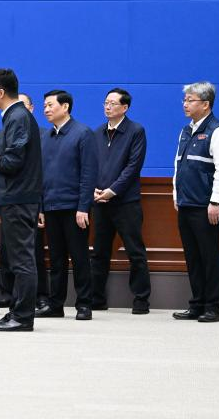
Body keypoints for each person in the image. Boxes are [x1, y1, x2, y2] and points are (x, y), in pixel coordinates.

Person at [0, 69, 42, 332]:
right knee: (13, 259)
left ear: (0, 92)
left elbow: (14, 160)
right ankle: (16, 311)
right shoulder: (15, 116)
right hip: (15, 197)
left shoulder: (18, 117)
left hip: (19, 197)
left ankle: (24, 316)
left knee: (22, 260)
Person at [173, 81, 219, 323]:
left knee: (209, 256)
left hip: (206, 206)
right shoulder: (185, 131)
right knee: (193, 256)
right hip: (186, 204)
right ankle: (197, 303)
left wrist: (215, 202)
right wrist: (176, 196)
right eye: (185, 100)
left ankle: (213, 306)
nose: (185, 104)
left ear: (206, 104)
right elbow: (178, 166)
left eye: (190, 100)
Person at [37, 90, 97, 321]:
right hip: (51, 206)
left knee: (79, 257)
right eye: (44, 106)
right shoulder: (45, 137)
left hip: (74, 208)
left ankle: (84, 304)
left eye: (50, 105)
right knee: (56, 258)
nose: (46, 109)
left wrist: (84, 206)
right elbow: (41, 175)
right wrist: (41, 207)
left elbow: (88, 174)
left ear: (66, 107)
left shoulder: (83, 133)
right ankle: (56, 304)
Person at [90, 88, 150, 314]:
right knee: (99, 252)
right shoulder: (97, 133)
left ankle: (141, 300)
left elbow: (133, 167)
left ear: (125, 107)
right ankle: (97, 299)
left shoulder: (135, 131)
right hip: (100, 201)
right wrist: (96, 190)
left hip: (125, 202)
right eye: (105, 102)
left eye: (113, 103)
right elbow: (92, 164)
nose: (107, 106)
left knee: (135, 251)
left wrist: (113, 190)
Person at [16, 92, 50, 310]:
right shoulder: (3, 134)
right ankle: (13, 297)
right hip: (11, 203)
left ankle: (40, 296)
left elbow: (43, 174)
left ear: (31, 108)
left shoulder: (44, 136)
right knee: (13, 255)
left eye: (23, 106)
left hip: (35, 203)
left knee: (35, 254)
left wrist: (41, 206)